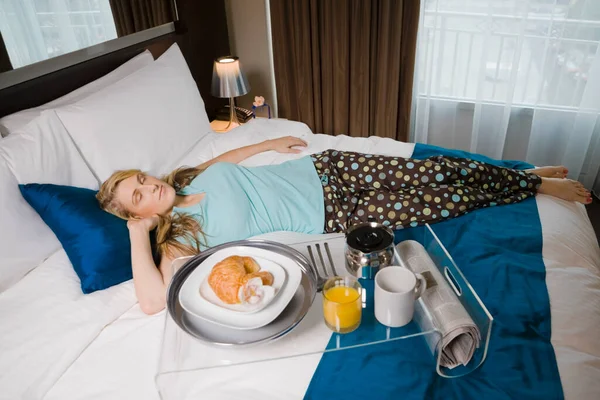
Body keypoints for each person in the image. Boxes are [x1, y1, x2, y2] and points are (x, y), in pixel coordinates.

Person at [97, 136, 591, 314]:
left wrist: (266, 146)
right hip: (336, 217)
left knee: (436, 168)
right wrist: (137, 238)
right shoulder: (178, 240)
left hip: (328, 169)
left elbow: (225, 157)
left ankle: (524, 178)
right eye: (137, 196)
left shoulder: (187, 176)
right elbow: (151, 302)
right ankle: (530, 184)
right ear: (137, 215)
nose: (150, 187)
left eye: (142, 178)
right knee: (440, 202)